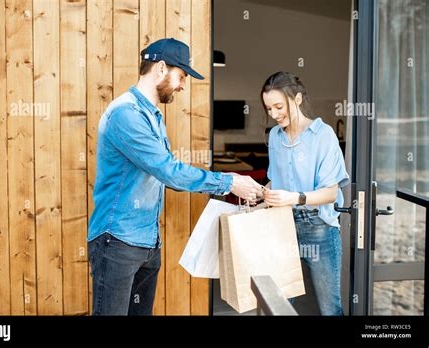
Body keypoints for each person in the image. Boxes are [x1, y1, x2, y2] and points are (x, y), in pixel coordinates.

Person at [87, 38, 262, 315]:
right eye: (181, 76)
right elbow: (169, 171)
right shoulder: (126, 114)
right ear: (160, 68)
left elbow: (168, 175)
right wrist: (229, 181)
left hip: (147, 243)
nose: (182, 85)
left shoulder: (152, 116)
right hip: (118, 242)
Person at [260, 71, 350, 316]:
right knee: (280, 305)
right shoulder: (275, 137)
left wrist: (295, 198)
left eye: (279, 106)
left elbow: (331, 193)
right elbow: (275, 179)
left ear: (297, 99)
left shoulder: (323, 135)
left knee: (328, 309)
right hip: (282, 225)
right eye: (269, 109)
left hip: (318, 227)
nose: (274, 115)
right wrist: (259, 192)